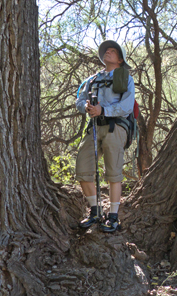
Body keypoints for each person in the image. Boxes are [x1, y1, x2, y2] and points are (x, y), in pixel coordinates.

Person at [75, 40, 134, 233]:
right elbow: (80, 100)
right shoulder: (92, 79)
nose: (107, 52)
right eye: (106, 51)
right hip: (93, 127)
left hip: (114, 127)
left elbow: (126, 106)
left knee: (113, 172)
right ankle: (95, 212)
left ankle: (114, 216)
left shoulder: (124, 78)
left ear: (120, 59)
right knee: (83, 169)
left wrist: (104, 110)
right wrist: (86, 107)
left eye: (112, 51)